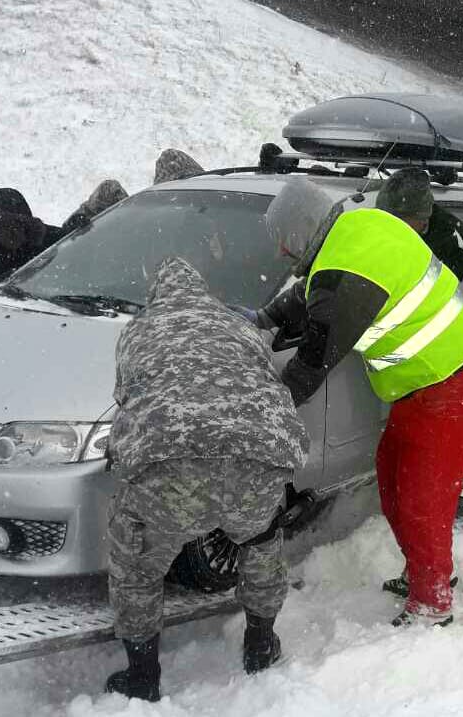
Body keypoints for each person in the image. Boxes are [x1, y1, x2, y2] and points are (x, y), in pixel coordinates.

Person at [237, 177, 463, 626]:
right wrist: (264, 318)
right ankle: (425, 571)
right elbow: (311, 291)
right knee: (393, 476)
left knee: (420, 496)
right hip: (430, 380)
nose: (281, 252)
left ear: (300, 231)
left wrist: (258, 413)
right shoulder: (357, 229)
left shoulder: (343, 279)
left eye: (283, 242)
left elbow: (310, 365)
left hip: (456, 378)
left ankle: (432, 602)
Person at [104, 257, 309, 702]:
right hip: (259, 454)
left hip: (170, 465)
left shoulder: (139, 329)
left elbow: (127, 397)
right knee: (261, 544)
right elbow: (261, 380)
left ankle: (142, 675)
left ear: (156, 294)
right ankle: (260, 643)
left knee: (137, 563)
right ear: (203, 291)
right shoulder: (239, 326)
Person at [374, 167, 463, 523]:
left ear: (421, 218)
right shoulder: (406, 232)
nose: (392, 228)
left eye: (400, 221)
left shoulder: (449, 246)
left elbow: (460, 316)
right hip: (459, 334)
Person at [0, 188, 66, 290]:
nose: (10, 230)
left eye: (16, 223)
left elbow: (71, 239)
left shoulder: (46, 235)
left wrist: (73, 225)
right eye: (1, 225)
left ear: (27, 224)